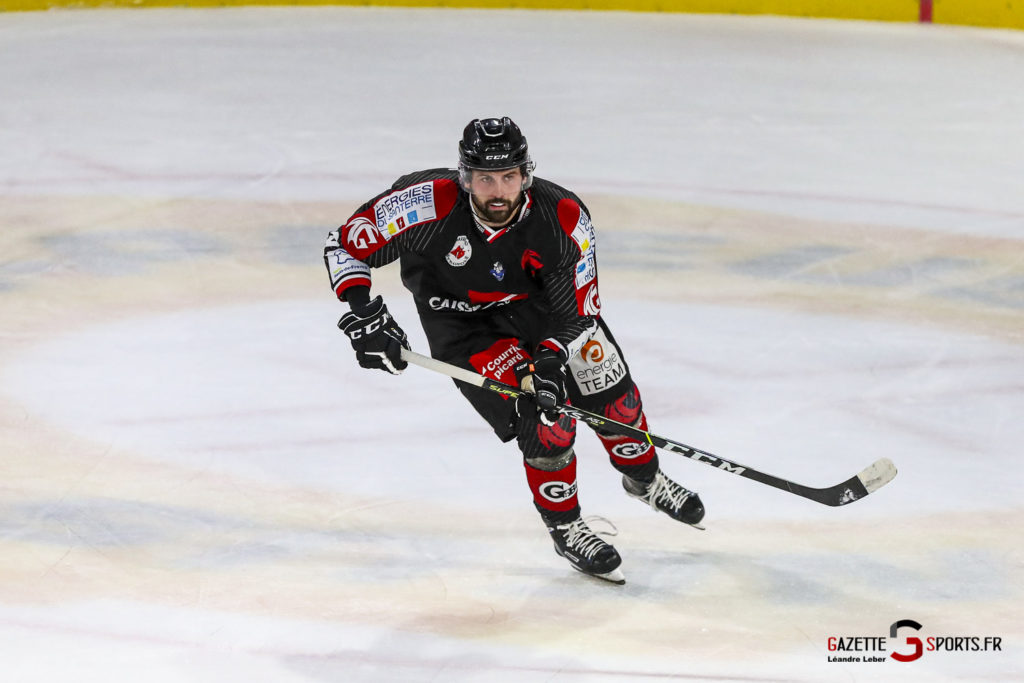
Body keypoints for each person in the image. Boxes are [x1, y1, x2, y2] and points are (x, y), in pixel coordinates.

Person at [323, 117, 704, 584]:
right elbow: (345, 246)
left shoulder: (562, 215)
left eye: (508, 177)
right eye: (484, 178)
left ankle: (644, 480)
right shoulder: (425, 203)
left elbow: (579, 312)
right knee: (548, 424)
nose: (497, 190)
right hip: (465, 326)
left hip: (547, 311)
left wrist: (547, 361)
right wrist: (364, 314)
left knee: (614, 397)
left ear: (526, 174)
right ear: (464, 178)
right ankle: (566, 528)